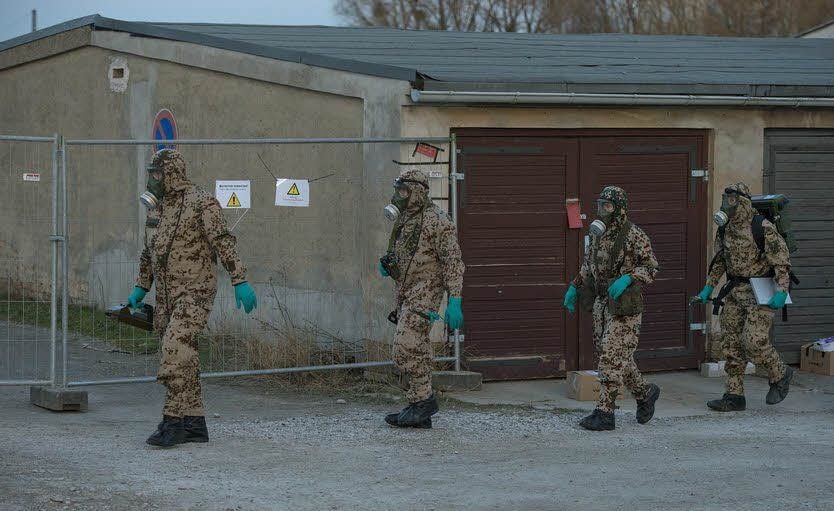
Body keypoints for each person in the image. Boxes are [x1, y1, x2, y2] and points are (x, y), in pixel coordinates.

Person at [127, 148, 257, 448]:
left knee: (174, 349)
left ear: (172, 173)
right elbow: (151, 252)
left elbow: (223, 240)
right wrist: (140, 288)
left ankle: (173, 422)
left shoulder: (202, 202)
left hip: (195, 292)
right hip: (166, 296)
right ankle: (195, 423)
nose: (153, 179)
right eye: (152, 174)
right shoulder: (158, 208)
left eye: (157, 174)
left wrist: (240, 279)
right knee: (186, 356)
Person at [563, 186, 660, 431]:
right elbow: (588, 265)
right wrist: (575, 286)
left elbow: (651, 267)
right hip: (602, 304)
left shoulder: (634, 235)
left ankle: (605, 413)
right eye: (599, 205)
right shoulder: (597, 234)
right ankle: (645, 392)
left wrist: (628, 278)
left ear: (619, 208)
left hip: (625, 305)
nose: (602, 211)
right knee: (617, 357)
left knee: (610, 356)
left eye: (607, 206)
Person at [693, 182, 794, 412]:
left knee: (754, 341)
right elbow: (719, 261)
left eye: (732, 200)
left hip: (760, 293)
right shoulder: (725, 228)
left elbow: (781, 262)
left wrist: (781, 292)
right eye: (724, 199)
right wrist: (708, 288)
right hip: (734, 292)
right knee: (730, 344)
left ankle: (780, 373)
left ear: (743, 202)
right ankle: (734, 395)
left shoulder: (762, 227)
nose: (727, 205)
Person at [379, 169, 465, 429]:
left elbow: (453, 261)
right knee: (417, 347)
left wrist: (455, 300)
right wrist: (389, 265)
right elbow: (404, 256)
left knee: (404, 346)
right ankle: (419, 407)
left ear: (417, 192)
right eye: (398, 190)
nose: (398, 195)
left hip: (426, 293)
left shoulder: (438, 221)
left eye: (404, 191)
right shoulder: (406, 219)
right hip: (407, 291)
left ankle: (424, 401)